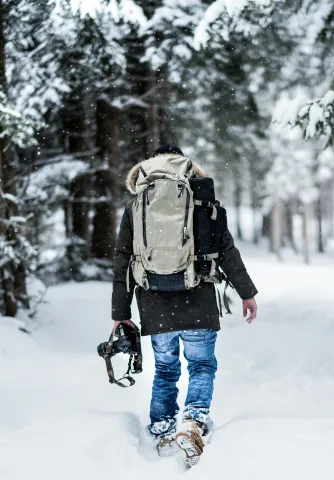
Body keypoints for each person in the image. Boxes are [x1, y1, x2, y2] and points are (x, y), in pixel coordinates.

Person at [111, 144, 258, 466]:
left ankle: (163, 430)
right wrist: (247, 293)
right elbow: (227, 251)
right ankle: (193, 420)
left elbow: (123, 259)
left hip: (153, 299)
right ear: (187, 168)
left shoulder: (137, 204)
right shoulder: (205, 202)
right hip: (199, 296)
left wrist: (120, 314)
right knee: (202, 365)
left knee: (165, 369)